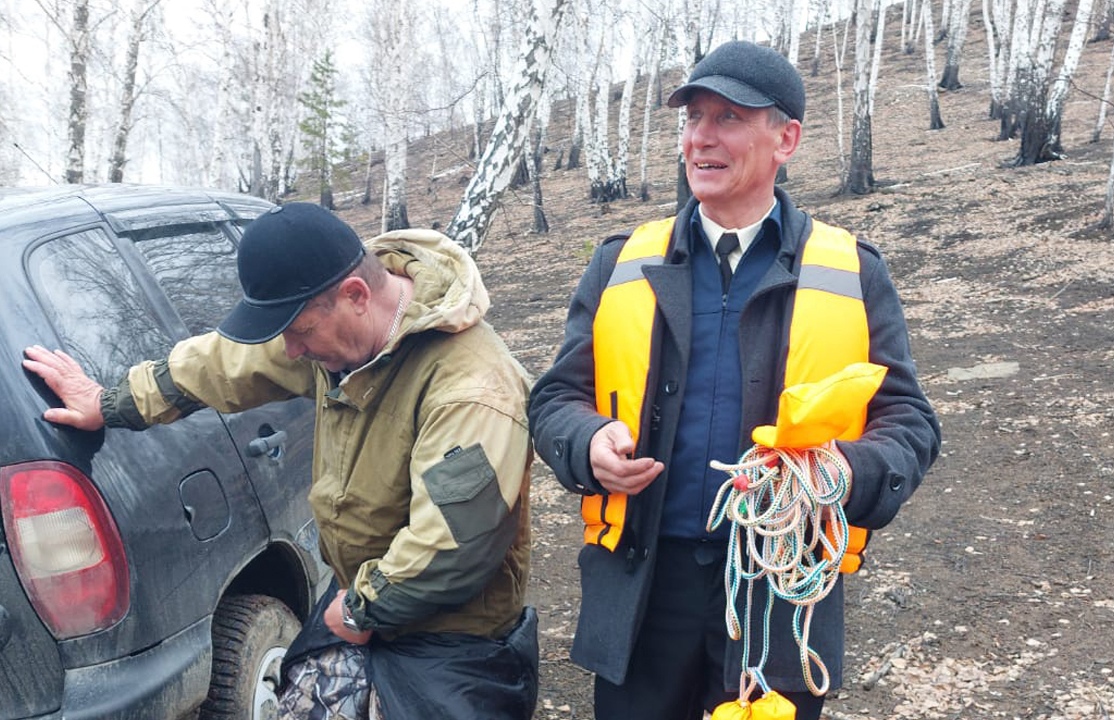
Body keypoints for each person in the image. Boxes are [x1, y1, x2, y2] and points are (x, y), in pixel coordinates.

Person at [527, 40, 941, 720]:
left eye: (727, 118)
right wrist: (589, 439)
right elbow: (553, 400)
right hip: (643, 591)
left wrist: (847, 473)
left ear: (787, 138)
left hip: (778, 596)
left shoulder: (853, 270)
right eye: (692, 119)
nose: (701, 139)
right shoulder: (619, 262)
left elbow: (910, 423)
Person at [23, 202, 538, 719]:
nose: (291, 351)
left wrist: (359, 611)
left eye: (301, 332)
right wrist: (111, 403)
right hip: (367, 596)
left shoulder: (470, 388)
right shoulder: (342, 330)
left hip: (453, 636)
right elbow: (225, 363)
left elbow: (453, 543)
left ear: (356, 296)